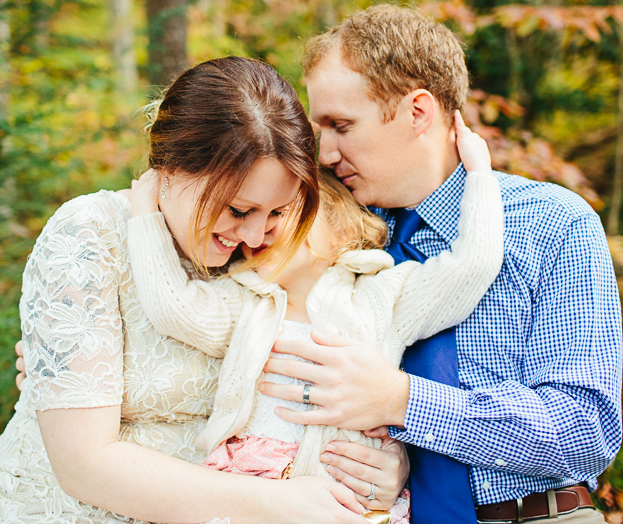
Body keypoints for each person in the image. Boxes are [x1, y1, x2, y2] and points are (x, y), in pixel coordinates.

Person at [0, 56, 408, 524]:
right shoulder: (93, 233)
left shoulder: (267, 264)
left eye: (277, 211)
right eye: (238, 209)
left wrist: (390, 463)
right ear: (172, 167)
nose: (257, 235)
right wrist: (278, 503)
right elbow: (84, 464)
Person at [257, 4, 623, 524]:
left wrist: (404, 402)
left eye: (341, 126)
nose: (327, 152)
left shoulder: (553, 223)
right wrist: (391, 463)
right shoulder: (320, 233)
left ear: (418, 112)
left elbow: (588, 429)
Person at [124, 112, 503, 524]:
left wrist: (480, 174)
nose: (258, 230)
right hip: (255, 486)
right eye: (250, 213)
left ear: (339, 229)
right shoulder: (247, 301)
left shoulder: (383, 295)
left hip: (347, 498)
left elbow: (471, 268)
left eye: (279, 214)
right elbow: (173, 309)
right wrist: (144, 216)